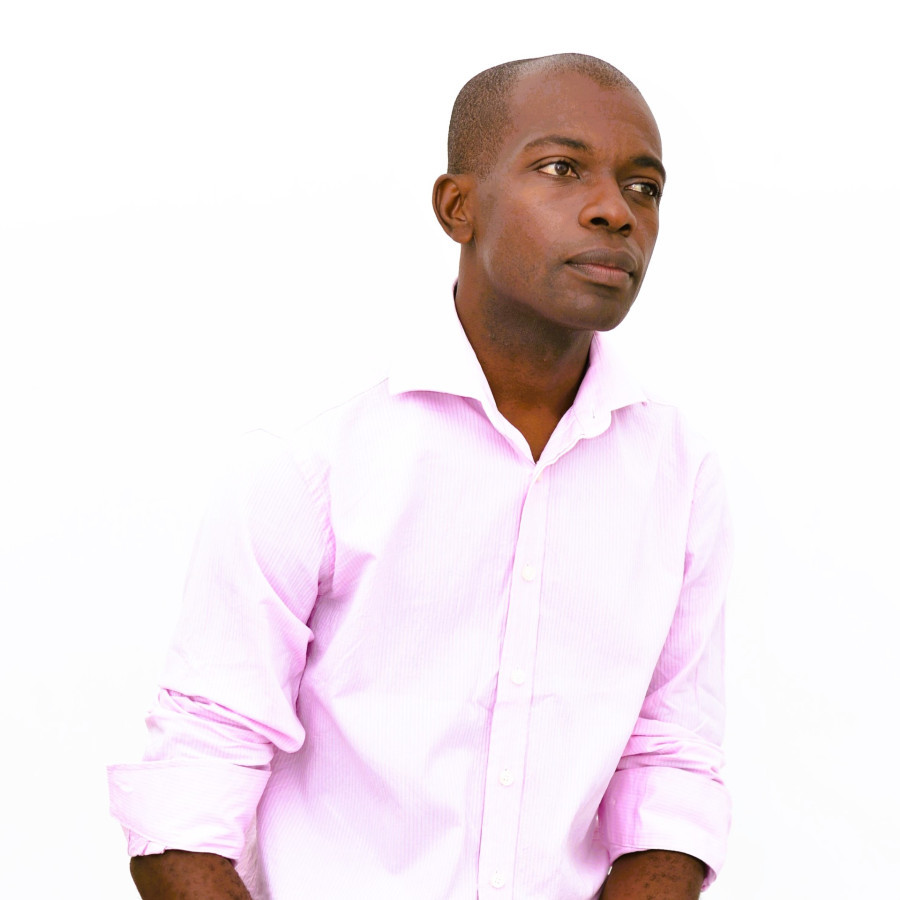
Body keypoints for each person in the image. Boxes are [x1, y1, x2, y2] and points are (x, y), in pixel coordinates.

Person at [108, 52, 732, 900]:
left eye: (644, 188)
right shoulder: (312, 456)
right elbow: (192, 782)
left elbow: (670, 761)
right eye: (561, 168)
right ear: (457, 207)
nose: (614, 211)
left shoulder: (678, 471)